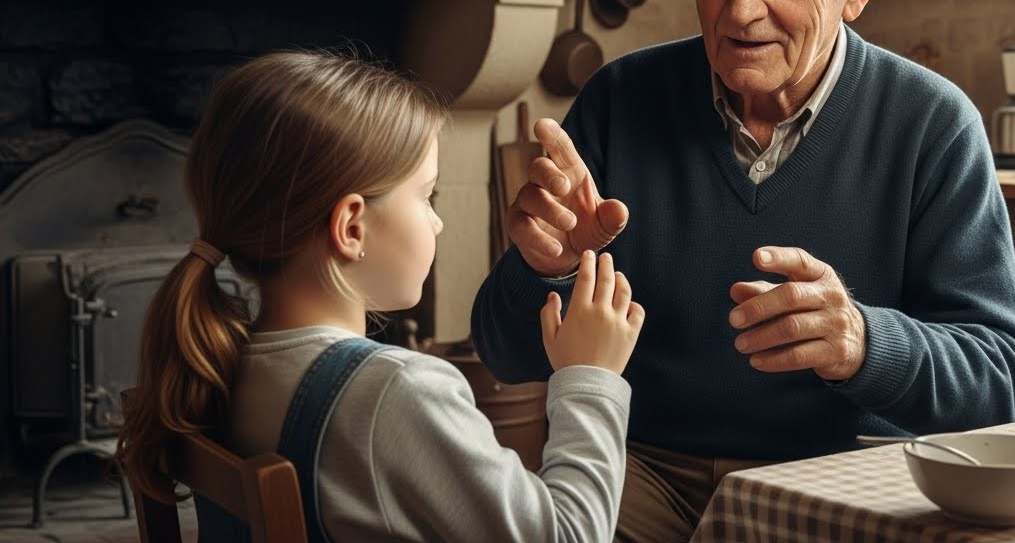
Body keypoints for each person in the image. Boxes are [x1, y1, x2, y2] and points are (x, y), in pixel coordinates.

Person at [472, 0, 1015, 542]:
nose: (740, 7)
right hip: (642, 471)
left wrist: (865, 343)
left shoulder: (931, 122)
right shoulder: (621, 97)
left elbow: (1005, 378)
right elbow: (504, 353)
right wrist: (545, 272)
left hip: (839, 477)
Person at [117, 51, 645, 542]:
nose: (438, 222)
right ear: (352, 227)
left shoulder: (218, 366)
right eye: (426, 196)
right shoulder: (395, 393)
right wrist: (589, 376)